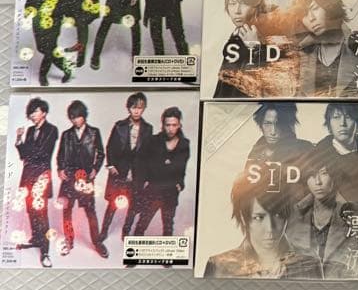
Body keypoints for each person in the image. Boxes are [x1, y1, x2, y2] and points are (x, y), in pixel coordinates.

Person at [202, 171, 322, 279]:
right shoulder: (219, 267)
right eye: (259, 218)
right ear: (244, 218)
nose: (270, 228)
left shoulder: (309, 266)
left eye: (278, 215)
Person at [286, 145, 358, 279]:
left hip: (342, 286)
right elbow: (288, 257)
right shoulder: (297, 213)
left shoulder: (353, 211)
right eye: (311, 175)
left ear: (334, 176)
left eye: (324, 173)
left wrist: (356, 284)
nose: (317, 182)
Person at [56, 99, 107, 259]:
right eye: (72, 117)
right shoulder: (66, 135)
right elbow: (60, 155)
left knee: (90, 211)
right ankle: (69, 240)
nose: (75, 120)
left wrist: (95, 169)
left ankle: (97, 242)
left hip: (86, 177)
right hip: (69, 177)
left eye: (78, 117)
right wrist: (60, 169)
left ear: (84, 116)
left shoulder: (94, 132)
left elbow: (101, 153)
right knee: (66, 210)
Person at [99, 92, 153, 243]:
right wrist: (111, 165)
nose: (136, 111)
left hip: (137, 173)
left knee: (133, 206)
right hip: (120, 171)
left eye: (140, 107)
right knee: (112, 204)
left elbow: (149, 154)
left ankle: (126, 231)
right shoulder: (119, 126)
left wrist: (147, 176)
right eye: (134, 107)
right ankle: (104, 231)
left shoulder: (148, 128)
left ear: (144, 108)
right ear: (128, 108)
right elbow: (110, 146)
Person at [14, 97, 58, 267]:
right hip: (27, 176)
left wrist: (27, 152)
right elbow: (23, 155)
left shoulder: (52, 130)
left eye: (36, 111)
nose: (33, 115)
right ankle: (36, 238)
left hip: (41, 177)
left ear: (44, 113)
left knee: (41, 213)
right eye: (31, 112)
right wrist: (19, 139)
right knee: (30, 209)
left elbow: (43, 153)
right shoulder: (30, 130)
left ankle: (45, 251)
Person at [314, 103, 358, 214]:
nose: (342, 123)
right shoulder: (318, 156)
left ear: (357, 122)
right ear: (329, 123)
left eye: (349, 117)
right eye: (336, 117)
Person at [133, 107, 190, 236]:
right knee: (142, 223)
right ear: (163, 125)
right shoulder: (152, 141)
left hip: (171, 190)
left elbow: (182, 167)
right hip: (154, 188)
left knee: (168, 226)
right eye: (167, 125)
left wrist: (180, 184)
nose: (170, 129)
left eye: (174, 125)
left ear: (179, 125)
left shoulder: (184, 144)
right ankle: (135, 248)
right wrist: (143, 182)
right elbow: (140, 162)